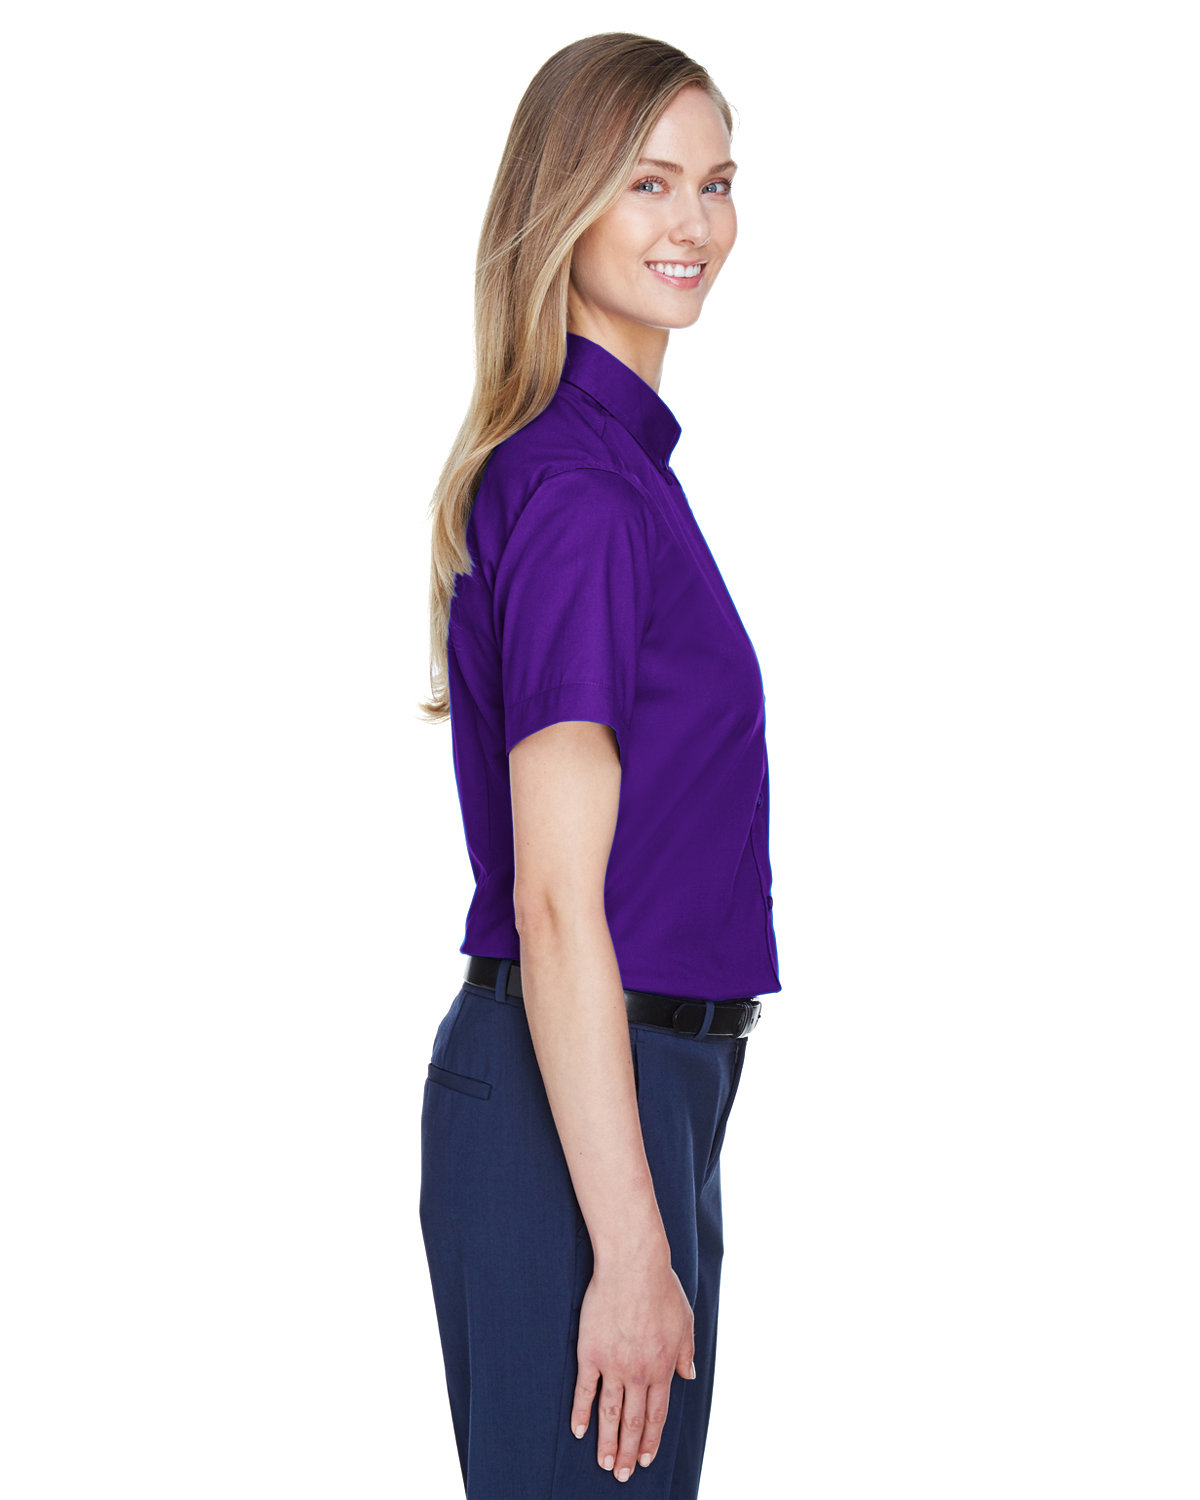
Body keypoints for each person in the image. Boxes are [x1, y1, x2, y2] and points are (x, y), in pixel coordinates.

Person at [417, 32, 782, 1498]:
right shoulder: (580, 489)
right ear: (564, 203)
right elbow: (558, 901)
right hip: (580, 1101)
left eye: (717, 183)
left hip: (633, 1095)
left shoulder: (615, 473)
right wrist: (630, 1249)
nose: (693, 223)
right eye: (648, 183)